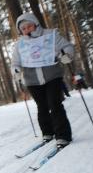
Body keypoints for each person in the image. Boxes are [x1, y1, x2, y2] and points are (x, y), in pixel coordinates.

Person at [12, 12, 74, 148]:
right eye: (23, 29)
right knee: (42, 106)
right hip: (32, 80)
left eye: (29, 26)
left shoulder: (50, 35)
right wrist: (16, 71)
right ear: (20, 31)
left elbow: (67, 46)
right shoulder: (20, 44)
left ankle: (63, 135)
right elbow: (15, 62)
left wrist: (66, 55)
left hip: (52, 75)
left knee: (55, 104)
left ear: (36, 24)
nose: (27, 30)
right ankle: (48, 132)